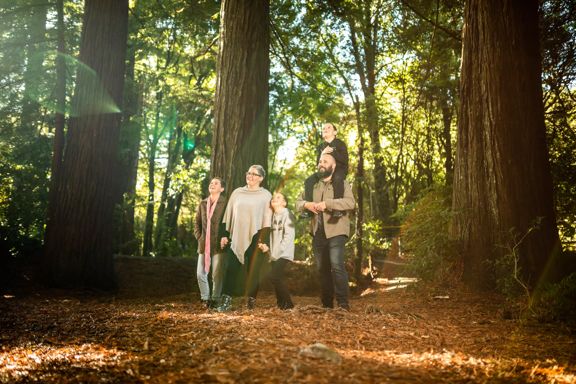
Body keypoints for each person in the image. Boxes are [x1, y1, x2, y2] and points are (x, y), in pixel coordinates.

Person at [296, 153, 355, 310]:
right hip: (318, 232)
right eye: (320, 161)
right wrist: (306, 205)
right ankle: (327, 305)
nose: (321, 163)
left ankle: (343, 304)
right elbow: (297, 203)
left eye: (325, 161)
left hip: (337, 230)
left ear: (333, 166)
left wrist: (327, 204)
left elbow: (350, 203)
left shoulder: (341, 183)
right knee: (322, 269)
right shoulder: (313, 185)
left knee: (336, 265)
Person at [217, 165, 272, 311]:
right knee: (230, 269)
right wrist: (224, 234)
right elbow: (228, 215)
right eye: (248, 173)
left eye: (254, 174)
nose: (250, 176)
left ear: (261, 178)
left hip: (257, 237)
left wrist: (264, 240)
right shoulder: (237, 193)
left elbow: (268, 218)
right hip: (236, 236)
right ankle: (225, 301)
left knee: (253, 271)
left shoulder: (266, 195)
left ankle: (250, 302)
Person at [300, 123, 349, 219]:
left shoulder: (340, 144)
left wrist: (333, 152)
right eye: (323, 128)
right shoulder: (321, 146)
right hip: (325, 170)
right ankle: (309, 211)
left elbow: (345, 160)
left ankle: (337, 209)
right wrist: (323, 153)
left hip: (339, 169)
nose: (325, 129)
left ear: (335, 132)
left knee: (338, 178)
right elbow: (318, 163)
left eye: (328, 127)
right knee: (308, 181)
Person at [257, 192, 295, 310]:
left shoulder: (287, 214)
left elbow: (289, 234)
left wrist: (280, 250)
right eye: (273, 198)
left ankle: (289, 305)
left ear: (284, 203)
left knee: (274, 276)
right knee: (277, 277)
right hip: (274, 254)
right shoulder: (272, 216)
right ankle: (281, 304)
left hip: (284, 253)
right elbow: (271, 236)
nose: (274, 199)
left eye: (278, 197)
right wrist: (268, 248)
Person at [193, 177, 227, 309]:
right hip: (204, 244)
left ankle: (216, 298)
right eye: (211, 183)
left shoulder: (225, 203)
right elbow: (197, 223)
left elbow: (228, 222)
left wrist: (225, 237)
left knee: (217, 273)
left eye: (216, 183)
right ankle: (205, 298)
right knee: (200, 273)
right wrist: (199, 237)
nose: (212, 184)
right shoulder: (203, 203)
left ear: (222, 189)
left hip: (219, 244)